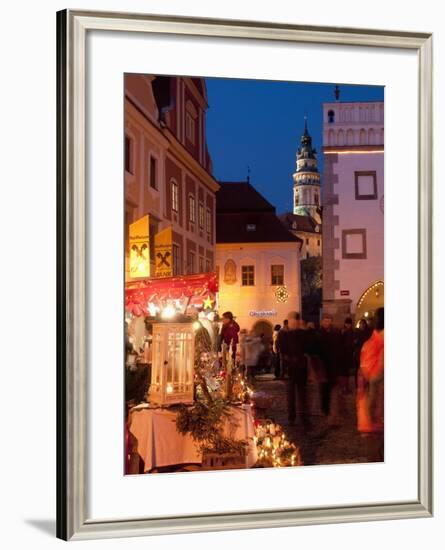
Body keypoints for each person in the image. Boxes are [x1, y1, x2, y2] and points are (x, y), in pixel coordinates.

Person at [278, 312, 309, 429]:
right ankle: (292, 417)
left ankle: (303, 417)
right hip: (290, 369)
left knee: (302, 395)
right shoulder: (283, 334)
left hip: (301, 368)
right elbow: (282, 350)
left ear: (297, 321)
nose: (292, 322)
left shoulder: (302, 334)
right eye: (290, 320)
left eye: (294, 320)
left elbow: (306, 347)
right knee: (290, 395)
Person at [357, 307, 384, 434]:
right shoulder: (373, 338)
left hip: (376, 376)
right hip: (374, 376)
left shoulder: (377, 339)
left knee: (374, 402)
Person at [318, 313, 343, 426]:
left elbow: (339, 349)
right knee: (324, 391)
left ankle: (333, 415)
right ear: (322, 321)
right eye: (325, 320)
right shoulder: (319, 333)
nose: (327, 322)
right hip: (323, 366)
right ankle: (326, 412)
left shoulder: (335, 333)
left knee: (333, 391)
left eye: (329, 320)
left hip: (333, 366)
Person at [354, 318, 372, 384]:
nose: (362, 325)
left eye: (363, 323)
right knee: (357, 368)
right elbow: (354, 342)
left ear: (365, 324)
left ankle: (365, 382)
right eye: (360, 323)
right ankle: (357, 383)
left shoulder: (368, 332)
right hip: (358, 353)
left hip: (366, 353)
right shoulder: (356, 332)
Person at [340, 317, 355, 394]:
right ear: (345, 324)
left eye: (349, 324)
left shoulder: (351, 331)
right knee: (344, 372)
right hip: (344, 354)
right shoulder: (343, 331)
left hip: (349, 353)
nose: (348, 325)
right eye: (347, 323)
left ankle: (346, 387)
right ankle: (343, 388)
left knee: (347, 372)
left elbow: (352, 342)